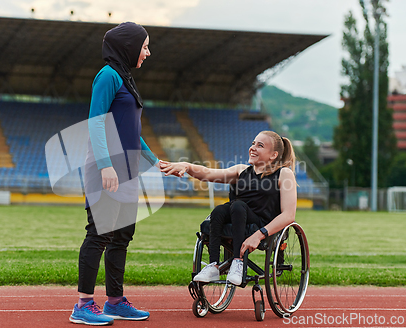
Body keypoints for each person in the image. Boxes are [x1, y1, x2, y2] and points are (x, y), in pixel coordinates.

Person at [70, 22, 162, 326]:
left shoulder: (126, 78)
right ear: (128, 46)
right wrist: (105, 164)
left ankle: (115, 301)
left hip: (128, 169)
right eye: (145, 46)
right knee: (99, 234)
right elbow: (96, 122)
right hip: (105, 168)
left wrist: (156, 161)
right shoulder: (108, 75)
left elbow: (132, 131)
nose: (148, 52)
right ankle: (82, 305)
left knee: (122, 236)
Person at [160, 130, 297, 286]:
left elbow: (288, 215)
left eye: (260, 145)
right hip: (239, 217)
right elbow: (207, 173)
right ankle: (213, 265)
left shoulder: (284, 174)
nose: (253, 148)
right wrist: (186, 166)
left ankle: (238, 262)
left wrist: (259, 235)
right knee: (219, 210)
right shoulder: (241, 170)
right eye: (253, 143)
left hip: (262, 225)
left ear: (273, 155)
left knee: (238, 205)